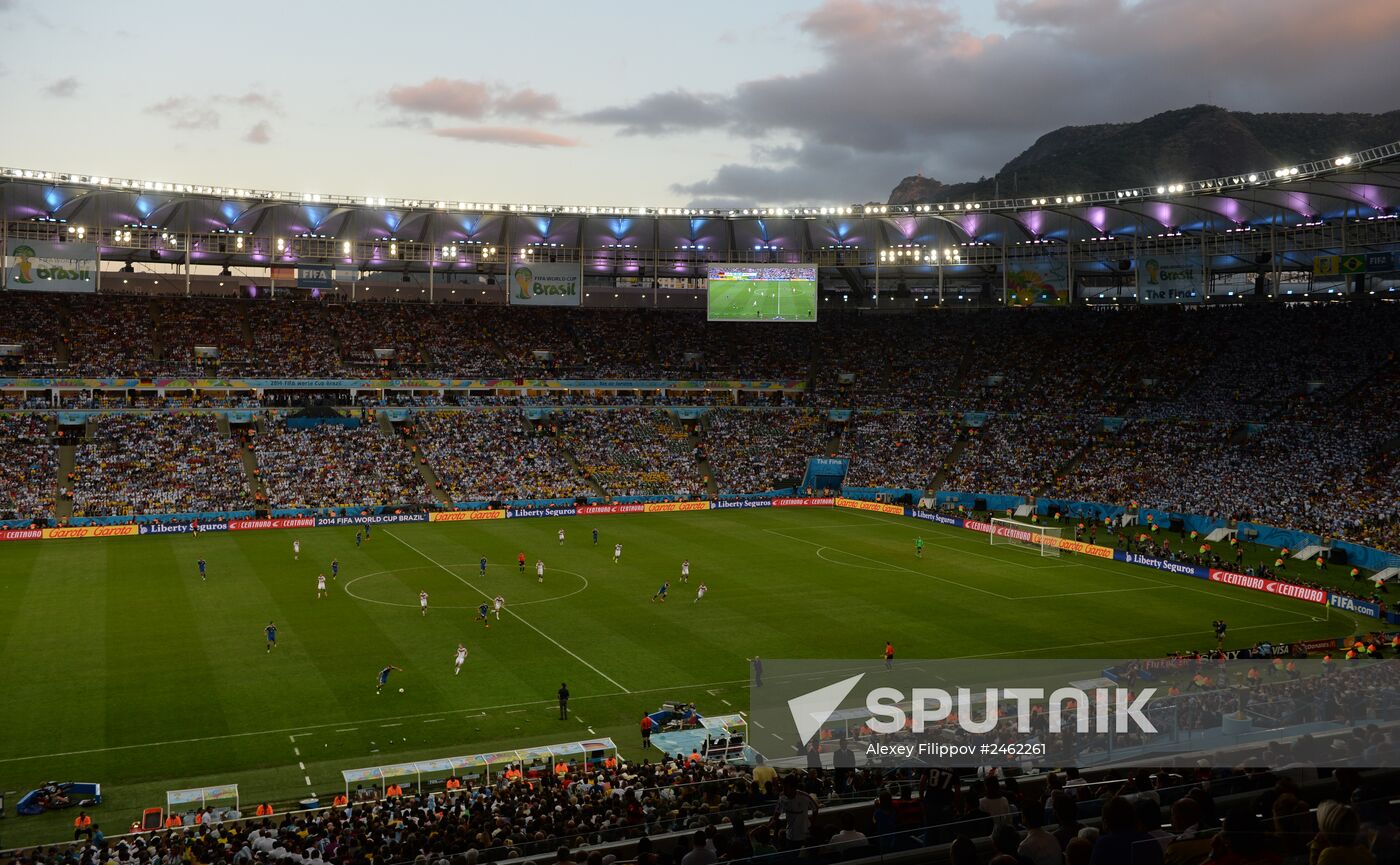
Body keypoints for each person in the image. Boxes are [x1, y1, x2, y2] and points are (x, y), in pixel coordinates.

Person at [773, 775, 818, 849]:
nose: (784, 790)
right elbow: (777, 811)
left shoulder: (804, 797)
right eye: (783, 787)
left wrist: (811, 823)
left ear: (794, 788)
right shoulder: (782, 797)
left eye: (786, 788)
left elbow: (815, 808)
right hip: (789, 835)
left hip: (804, 835)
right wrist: (773, 821)